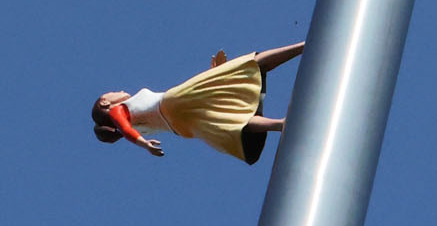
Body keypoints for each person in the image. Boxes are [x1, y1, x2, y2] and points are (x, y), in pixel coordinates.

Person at [91, 47, 303, 164]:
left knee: (231, 121)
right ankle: (304, 46)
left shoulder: (136, 119)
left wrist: (215, 75)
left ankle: (281, 124)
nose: (116, 90)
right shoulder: (120, 111)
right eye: (110, 93)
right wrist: (143, 144)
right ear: (105, 102)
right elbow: (125, 128)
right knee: (248, 65)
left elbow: (127, 128)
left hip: (183, 126)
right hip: (173, 103)